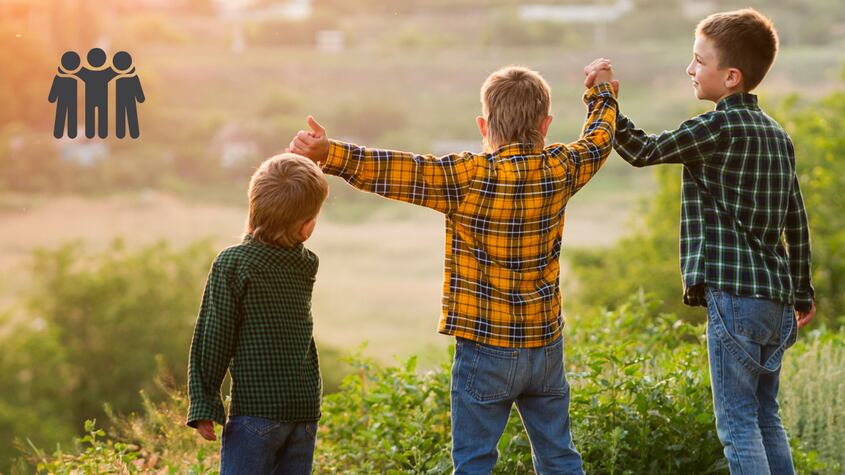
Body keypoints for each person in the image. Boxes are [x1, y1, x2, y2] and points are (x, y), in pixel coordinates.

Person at [289, 61, 617, 474]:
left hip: (483, 346)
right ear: (546, 124)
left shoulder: (467, 175)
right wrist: (602, 93)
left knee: (474, 461)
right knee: (558, 457)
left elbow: (399, 171)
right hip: (544, 345)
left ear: (484, 126)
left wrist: (328, 153)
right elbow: (599, 140)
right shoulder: (561, 168)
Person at [587, 8, 815, 474]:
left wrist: (602, 99)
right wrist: (803, 290)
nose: (690, 70)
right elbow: (797, 218)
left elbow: (641, 150)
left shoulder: (716, 127)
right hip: (775, 300)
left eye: (698, 61)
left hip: (734, 298)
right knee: (766, 418)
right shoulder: (779, 136)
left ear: (730, 77)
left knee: (737, 424)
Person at [186, 154, 329, 475]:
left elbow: (215, 334)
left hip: (256, 410)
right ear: (306, 227)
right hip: (304, 410)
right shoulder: (306, 262)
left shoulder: (234, 263)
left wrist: (204, 400)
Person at [74, 48, 119, 139]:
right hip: (102, 99)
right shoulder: (107, 72)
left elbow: (76, 70)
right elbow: (116, 70)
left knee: (91, 115)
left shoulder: (85, 72)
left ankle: (92, 133)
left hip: (90, 99)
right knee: (101, 115)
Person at [48, 51, 82, 139]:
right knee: (71, 115)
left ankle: (60, 133)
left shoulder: (59, 76)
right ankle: (71, 133)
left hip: (63, 102)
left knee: (61, 115)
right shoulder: (77, 77)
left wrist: (52, 98)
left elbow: (52, 95)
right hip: (72, 102)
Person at [113, 51, 145, 139]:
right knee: (132, 115)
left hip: (119, 101)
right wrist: (140, 98)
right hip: (130, 101)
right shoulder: (133, 77)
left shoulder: (115, 77)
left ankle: (120, 133)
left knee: (120, 116)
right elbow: (139, 93)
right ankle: (134, 132)